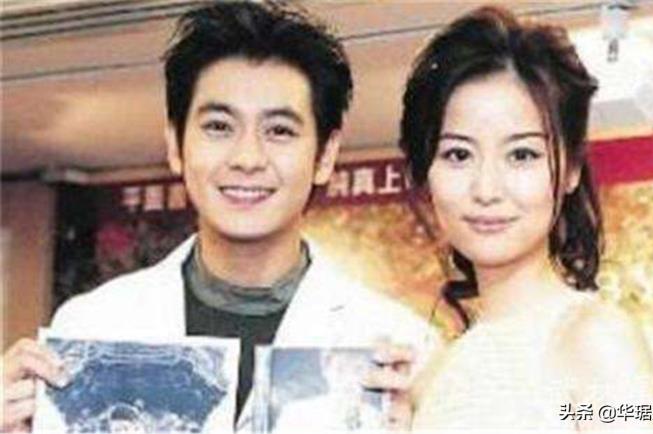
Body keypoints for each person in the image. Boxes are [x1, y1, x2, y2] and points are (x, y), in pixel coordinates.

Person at [1, 2, 438, 432]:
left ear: (324, 156)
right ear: (176, 144)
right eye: (218, 127)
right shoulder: (92, 328)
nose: (247, 158)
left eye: (279, 131)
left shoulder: (399, 350)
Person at [399, 6, 653, 431]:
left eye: (522, 155)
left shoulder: (599, 341)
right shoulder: (438, 373)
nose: (486, 189)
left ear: (571, 169)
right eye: (458, 154)